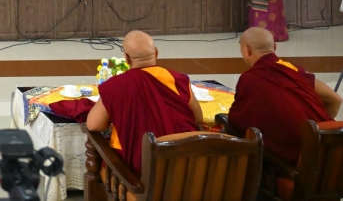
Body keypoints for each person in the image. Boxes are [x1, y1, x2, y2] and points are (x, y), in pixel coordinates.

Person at [86, 31, 203, 175]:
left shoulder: (116, 85)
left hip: (137, 174)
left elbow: (94, 125)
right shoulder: (177, 79)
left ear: (126, 58)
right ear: (156, 52)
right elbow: (197, 118)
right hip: (185, 169)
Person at [227, 27, 340, 164]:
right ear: (274, 47)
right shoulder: (293, 69)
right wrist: (321, 128)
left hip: (297, 162)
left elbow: (237, 122)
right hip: (331, 155)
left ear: (247, 50)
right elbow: (336, 99)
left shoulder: (249, 79)